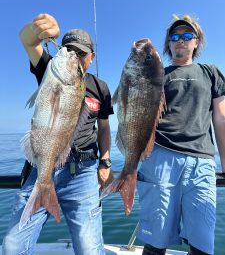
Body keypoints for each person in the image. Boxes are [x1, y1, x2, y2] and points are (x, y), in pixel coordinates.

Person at [2, 13, 114, 255]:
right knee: (12, 247)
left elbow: (103, 128)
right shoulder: (50, 69)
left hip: (83, 171)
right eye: (68, 50)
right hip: (42, 165)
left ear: (92, 58)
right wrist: (38, 29)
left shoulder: (101, 87)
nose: (74, 56)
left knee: (89, 249)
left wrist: (105, 161)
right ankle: (44, 189)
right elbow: (27, 40)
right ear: (59, 50)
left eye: (81, 53)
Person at [137, 15, 225, 255]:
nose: (181, 41)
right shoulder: (157, 75)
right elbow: (138, 112)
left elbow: (221, 118)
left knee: (202, 243)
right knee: (156, 242)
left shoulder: (210, 72)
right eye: (175, 37)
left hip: (202, 163)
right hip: (159, 157)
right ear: (168, 43)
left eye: (188, 36)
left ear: (196, 43)